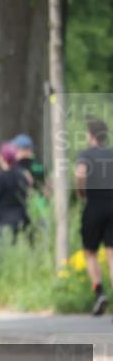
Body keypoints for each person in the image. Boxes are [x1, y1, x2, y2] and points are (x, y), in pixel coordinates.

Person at [74, 118, 113, 317]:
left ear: (90, 135)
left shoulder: (85, 155)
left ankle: (99, 292)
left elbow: (80, 173)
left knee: (90, 252)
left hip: (94, 205)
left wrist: (81, 192)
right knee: (112, 253)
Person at [0, 142, 32, 237]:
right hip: (22, 220)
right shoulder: (23, 176)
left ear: (2, 158)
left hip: (4, 222)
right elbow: (28, 195)